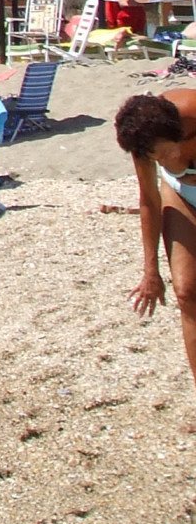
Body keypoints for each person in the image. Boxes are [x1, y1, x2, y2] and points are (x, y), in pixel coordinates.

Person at [113, 89, 196, 397]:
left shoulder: (192, 110)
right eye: (155, 159)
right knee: (186, 292)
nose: (162, 161)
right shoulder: (142, 138)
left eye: (164, 154)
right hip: (182, 195)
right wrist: (151, 271)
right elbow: (149, 199)